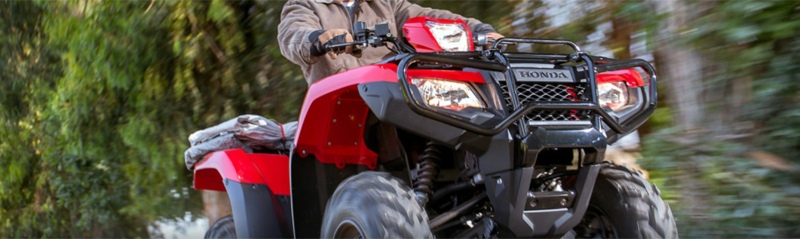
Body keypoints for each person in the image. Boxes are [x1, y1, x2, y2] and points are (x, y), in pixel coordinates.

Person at [277, 0, 504, 85]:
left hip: (392, 93)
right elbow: (292, 35)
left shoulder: (387, 5)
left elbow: (429, 16)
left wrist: (478, 30)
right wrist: (321, 39)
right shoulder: (305, 5)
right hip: (341, 105)